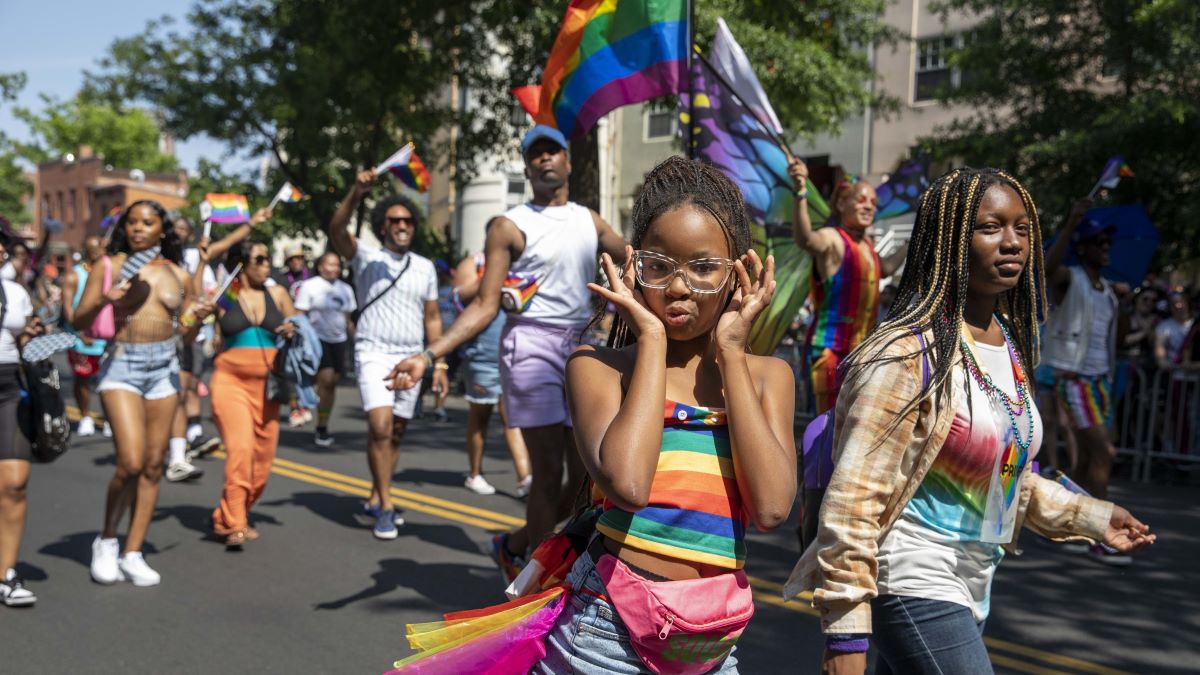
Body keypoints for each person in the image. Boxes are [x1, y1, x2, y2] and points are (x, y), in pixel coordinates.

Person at [785, 168, 1155, 675]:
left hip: (972, 583)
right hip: (909, 576)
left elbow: (1002, 478)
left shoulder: (1009, 345)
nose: (1012, 243)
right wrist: (845, 632)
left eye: (1022, 228)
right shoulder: (905, 353)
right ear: (950, 238)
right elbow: (853, 501)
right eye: (990, 227)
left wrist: (1091, 517)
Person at [534, 156, 796, 673]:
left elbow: (770, 509)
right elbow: (629, 485)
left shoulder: (767, 377)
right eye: (660, 266)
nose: (679, 288)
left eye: (703, 268)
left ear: (736, 272)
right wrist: (650, 337)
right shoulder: (598, 367)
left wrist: (733, 354)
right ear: (636, 266)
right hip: (605, 637)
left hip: (713, 647)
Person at [385, 125, 627, 574]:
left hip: (582, 345)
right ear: (527, 166)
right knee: (548, 471)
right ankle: (538, 582)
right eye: (536, 154)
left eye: (553, 151)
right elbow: (484, 303)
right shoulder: (509, 225)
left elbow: (636, 257)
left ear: (569, 162)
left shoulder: (589, 220)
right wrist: (429, 355)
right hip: (530, 344)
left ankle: (514, 547)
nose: (545, 160)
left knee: (585, 478)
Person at [72, 201, 213, 587]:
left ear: (161, 231)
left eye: (147, 223)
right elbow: (78, 319)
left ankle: (133, 552)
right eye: (132, 222)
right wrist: (106, 298)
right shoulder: (109, 266)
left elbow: (184, 331)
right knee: (130, 462)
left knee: (153, 465)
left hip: (163, 368)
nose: (138, 229)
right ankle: (106, 540)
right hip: (122, 366)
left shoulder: (177, 275)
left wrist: (195, 319)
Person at [787, 159, 907, 550]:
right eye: (861, 200)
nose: (869, 206)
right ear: (842, 205)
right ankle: (813, 524)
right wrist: (802, 191)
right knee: (829, 437)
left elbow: (888, 267)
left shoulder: (870, 249)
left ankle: (839, 520)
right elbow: (806, 239)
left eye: (873, 201)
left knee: (853, 439)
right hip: (830, 355)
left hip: (864, 361)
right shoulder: (833, 241)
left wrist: (920, 238)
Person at [328, 174, 447, 541]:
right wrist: (355, 192)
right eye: (393, 221)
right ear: (383, 227)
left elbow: (432, 317)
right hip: (373, 352)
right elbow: (336, 230)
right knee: (379, 427)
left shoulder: (425, 267)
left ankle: (378, 490)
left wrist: (438, 362)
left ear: (414, 225)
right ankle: (385, 503)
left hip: (411, 358)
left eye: (407, 220)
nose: (401, 226)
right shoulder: (366, 257)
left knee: (395, 432)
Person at [1042, 204, 1135, 566]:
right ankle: (1101, 537)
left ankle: (1061, 521)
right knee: (1104, 454)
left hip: (1101, 381)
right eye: (1099, 242)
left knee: (1085, 462)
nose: (1106, 248)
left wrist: (1125, 304)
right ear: (1083, 247)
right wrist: (1069, 225)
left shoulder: (1110, 292)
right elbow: (1048, 270)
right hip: (1075, 379)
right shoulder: (1071, 278)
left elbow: (1123, 337)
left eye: (1108, 243)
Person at [209, 238, 297, 548]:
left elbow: (301, 324)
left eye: (267, 259)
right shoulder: (225, 296)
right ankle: (236, 524)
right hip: (230, 382)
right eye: (259, 259)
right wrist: (197, 311)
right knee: (241, 451)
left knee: (262, 463)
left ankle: (227, 512)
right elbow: (186, 323)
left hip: (269, 387)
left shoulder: (277, 293)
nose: (266, 265)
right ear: (242, 265)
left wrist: (292, 328)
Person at [452, 236, 531, 496]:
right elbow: (460, 296)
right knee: (480, 417)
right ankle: (474, 474)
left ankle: (525, 478)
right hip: (482, 355)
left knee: (512, 417)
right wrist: (493, 275)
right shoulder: (473, 262)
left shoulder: (518, 264)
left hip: (513, 353)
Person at [0, 230, 47, 606]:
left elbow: (22, 340)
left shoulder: (15, 292)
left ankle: (6, 573)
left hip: (8, 389)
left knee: (15, 482)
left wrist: (33, 334)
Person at [293, 251, 356, 447]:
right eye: (329, 264)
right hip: (316, 340)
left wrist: (357, 340)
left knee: (330, 384)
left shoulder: (346, 289)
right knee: (326, 379)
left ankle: (322, 424)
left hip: (339, 341)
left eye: (337, 265)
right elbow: (299, 314)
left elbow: (348, 320)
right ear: (320, 266)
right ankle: (302, 401)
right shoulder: (310, 286)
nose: (333, 268)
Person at [60, 236, 109, 437]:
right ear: (86, 251)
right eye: (93, 249)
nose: (98, 252)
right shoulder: (75, 276)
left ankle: (109, 419)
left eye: (100, 249)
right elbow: (68, 309)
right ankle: (86, 416)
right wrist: (80, 332)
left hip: (106, 340)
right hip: (81, 340)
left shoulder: (110, 273)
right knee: (83, 379)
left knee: (108, 382)